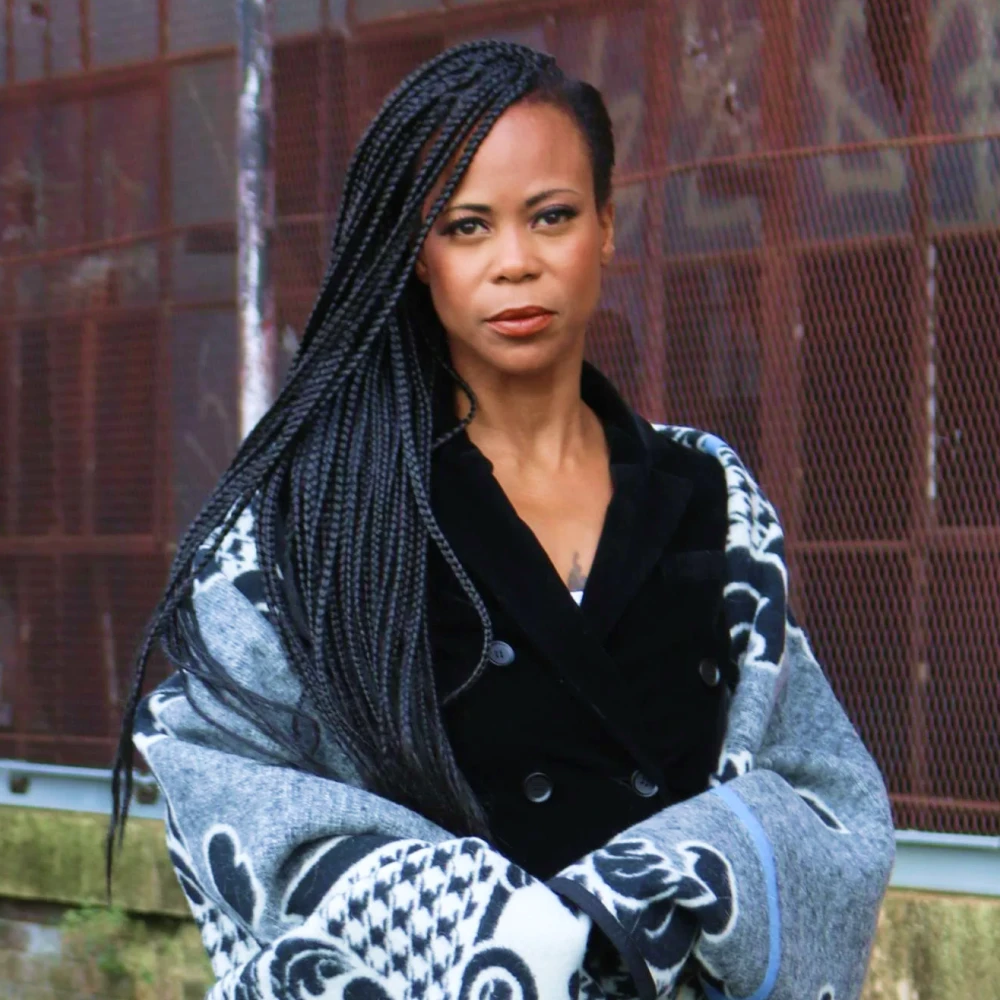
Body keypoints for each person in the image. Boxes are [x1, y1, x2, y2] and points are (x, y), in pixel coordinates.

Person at [109, 40, 894, 1000]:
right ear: (417, 257)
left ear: (606, 226)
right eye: (466, 226)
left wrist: (654, 885)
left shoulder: (706, 490)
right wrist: (513, 935)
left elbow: (819, 789)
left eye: (552, 217)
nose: (515, 263)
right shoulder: (314, 521)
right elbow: (233, 781)